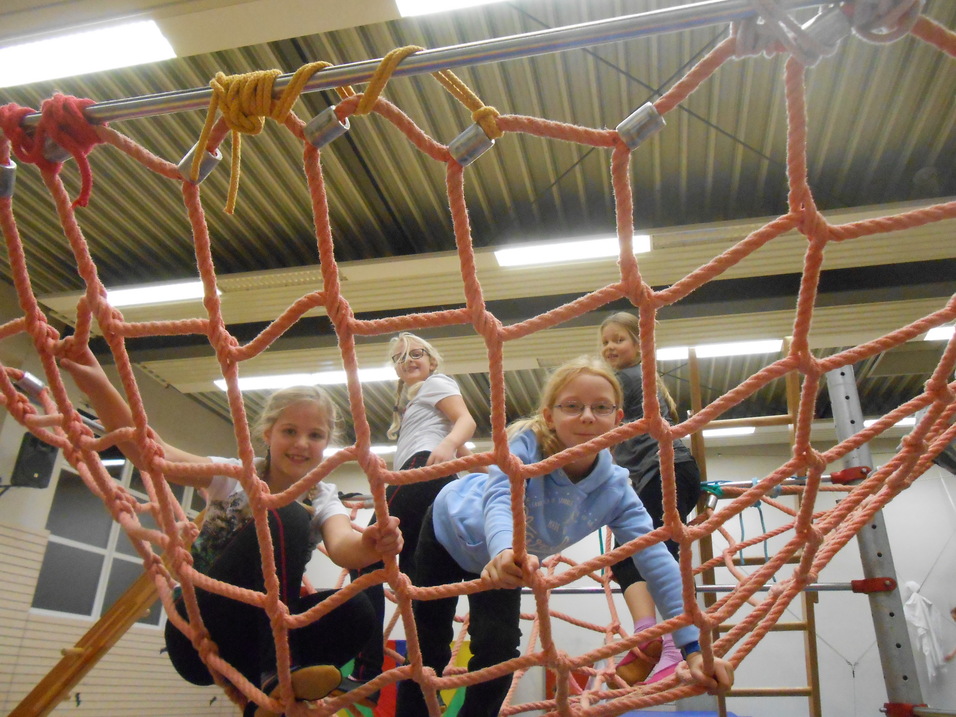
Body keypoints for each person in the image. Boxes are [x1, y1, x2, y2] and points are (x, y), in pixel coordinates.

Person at [60, 345, 402, 717]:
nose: (302, 443)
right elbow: (151, 453)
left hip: (254, 642)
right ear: (267, 434)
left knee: (356, 610)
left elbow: (343, 546)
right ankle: (278, 674)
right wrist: (97, 386)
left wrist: (371, 544)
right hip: (200, 631)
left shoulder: (323, 495)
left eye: (315, 435)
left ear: (326, 444)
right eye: (290, 431)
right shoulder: (235, 476)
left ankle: (270, 695)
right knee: (284, 513)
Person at [395, 356, 733, 716]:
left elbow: (658, 561)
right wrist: (504, 549)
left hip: (505, 561)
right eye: (572, 406)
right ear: (549, 415)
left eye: (601, 407)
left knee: (499, 651)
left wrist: (694, 648)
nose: (587, 416)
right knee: (427, 647)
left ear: (618, 419)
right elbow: (500, 497)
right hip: (451, 530)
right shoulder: (527, 446)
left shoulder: (616, 489)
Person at [348, 332, 477, 692]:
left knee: (365, 560)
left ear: (432, 360)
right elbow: (463, 446)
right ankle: (425, 666)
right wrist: (488, 471)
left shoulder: (437, 382)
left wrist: (448, 446)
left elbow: (465, 421)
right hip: (431, 479)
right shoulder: (418, 400)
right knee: (422, 577)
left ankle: (367, 666)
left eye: (416, 353)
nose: (408, 360)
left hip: (422, 473)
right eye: (399, 358)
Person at [600, 311, 703, 684]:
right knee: (630, 560)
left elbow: (596, 427)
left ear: (640, 345)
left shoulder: (627, 379)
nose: (610, 347)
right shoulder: (632, 382)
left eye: (619, 339)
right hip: (654, 477)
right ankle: (648, 642)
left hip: (668, 472)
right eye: (605, 341)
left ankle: (674, 647)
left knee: (650, 556)